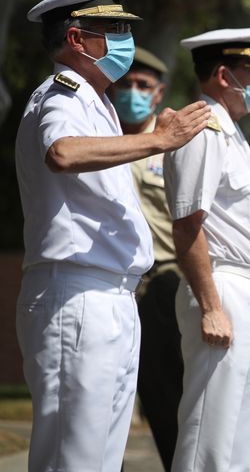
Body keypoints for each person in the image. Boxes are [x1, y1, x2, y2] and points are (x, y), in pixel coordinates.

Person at [14, 0, 210, 472]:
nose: (127, 42)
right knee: (71, 457)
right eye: (115, 31)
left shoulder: (97, 102)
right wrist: (157, 141)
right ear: (77, 39)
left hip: (112, 296)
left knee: (101, 457)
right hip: (77, 293)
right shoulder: (62, 95)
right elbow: (62, 152)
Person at [164, 27, 250, 472]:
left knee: (237, 431)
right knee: (208, 433)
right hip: (223, 286)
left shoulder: (231, 132)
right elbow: (188, 224)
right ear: (225, 75)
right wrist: (212, 305)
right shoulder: (203, 129)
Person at [109, 46, 183, 471]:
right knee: (104, 401)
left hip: (164, 286)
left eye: (143, 86)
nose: (133, 93)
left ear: (158, 95)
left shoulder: (174, 146)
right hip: (111, 284)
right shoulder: (99, 138)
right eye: (126, 85)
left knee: (168, 398)